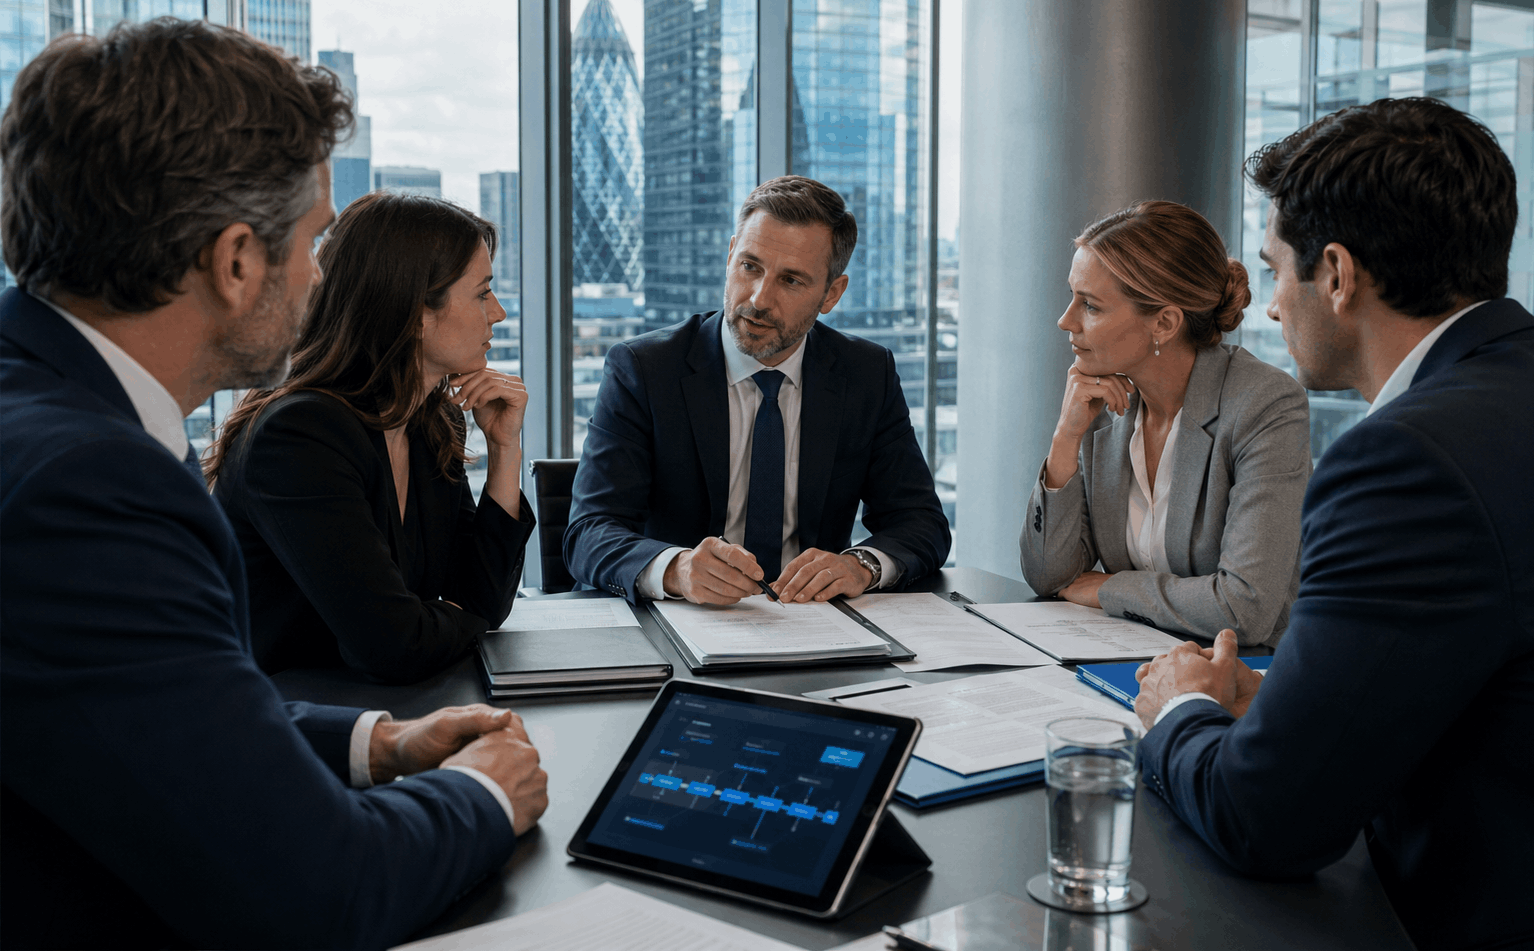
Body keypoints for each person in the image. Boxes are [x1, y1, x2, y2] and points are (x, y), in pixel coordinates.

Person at [0, 19, 547, 949]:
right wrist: (487, 794)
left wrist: (378, 742)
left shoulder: (72, 415)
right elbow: (323, 891)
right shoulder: (87, 483)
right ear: (237, 260)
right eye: (313, 243)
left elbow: (152, 712)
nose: (319, 278)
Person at [1131, 97, 1534, 950]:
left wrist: (1178, 711)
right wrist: (1302, 701)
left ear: (1336, 274)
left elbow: (1266, 821)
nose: (1269, 307)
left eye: (1275, 270)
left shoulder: (1409, 459)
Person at [565, 175, 951, 605]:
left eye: (791, 281)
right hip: (678, 627)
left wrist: (861, 565)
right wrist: (677, 569)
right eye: (750, 266)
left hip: (812, 627)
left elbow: (921, 522)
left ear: (832, 294)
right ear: (730, 255)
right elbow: (588, 532)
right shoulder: (643, 369)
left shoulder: (865, 373)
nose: (759, 298)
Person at [208, 192, 535, 683]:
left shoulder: (430, 421)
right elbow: (393, 645)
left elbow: (482, 596)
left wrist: (505, 450)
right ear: (415, 312)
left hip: (393, 711)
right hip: (300, 727)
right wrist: (460, 616)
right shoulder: (300, 437)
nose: (499, 313)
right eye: (482, 292)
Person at [1020, 201, 1310, 646]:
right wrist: (1066, 436)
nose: (1065, 321)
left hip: (1241, 682)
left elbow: (1244, 608)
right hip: (1126, 659)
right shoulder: (1106, 405)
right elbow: (1049, 576)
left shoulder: (1264, 404)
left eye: (1091, 306)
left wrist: (1109, 587)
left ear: (1165, 323)